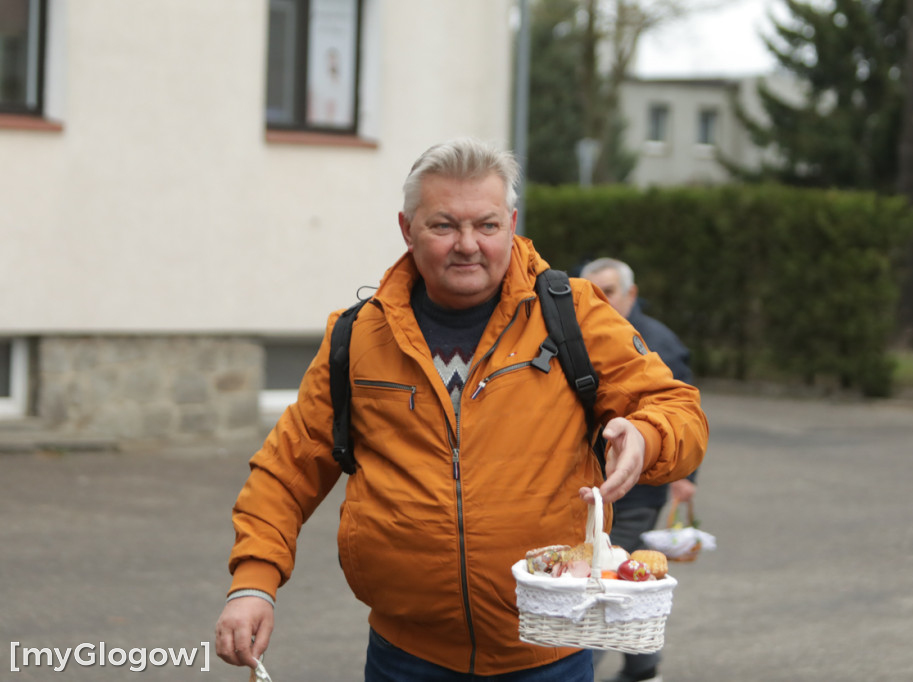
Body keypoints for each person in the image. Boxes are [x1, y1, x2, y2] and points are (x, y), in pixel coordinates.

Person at [214, 138, 709, 681]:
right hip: (405, 658)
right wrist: (253, 582)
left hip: (549, 653)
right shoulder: (358, 336)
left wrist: (646, 435)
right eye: (444, 225)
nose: (467, 245)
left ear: (512, 225)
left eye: (487, 225)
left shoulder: (574, 314)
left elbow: (675, 406)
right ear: (407, 229)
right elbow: (287, 469)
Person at [581, 258, 698, 682]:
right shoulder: (577, 335)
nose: (600, 299)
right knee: (624, 579)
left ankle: (585, 668)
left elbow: (682, 410)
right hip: (592, 489)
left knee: (603, 585)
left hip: (639, 491)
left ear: (631, 294)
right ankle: (643, 669)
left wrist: (685, 477)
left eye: (609, 291)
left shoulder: (658, 343)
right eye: (592, 291)